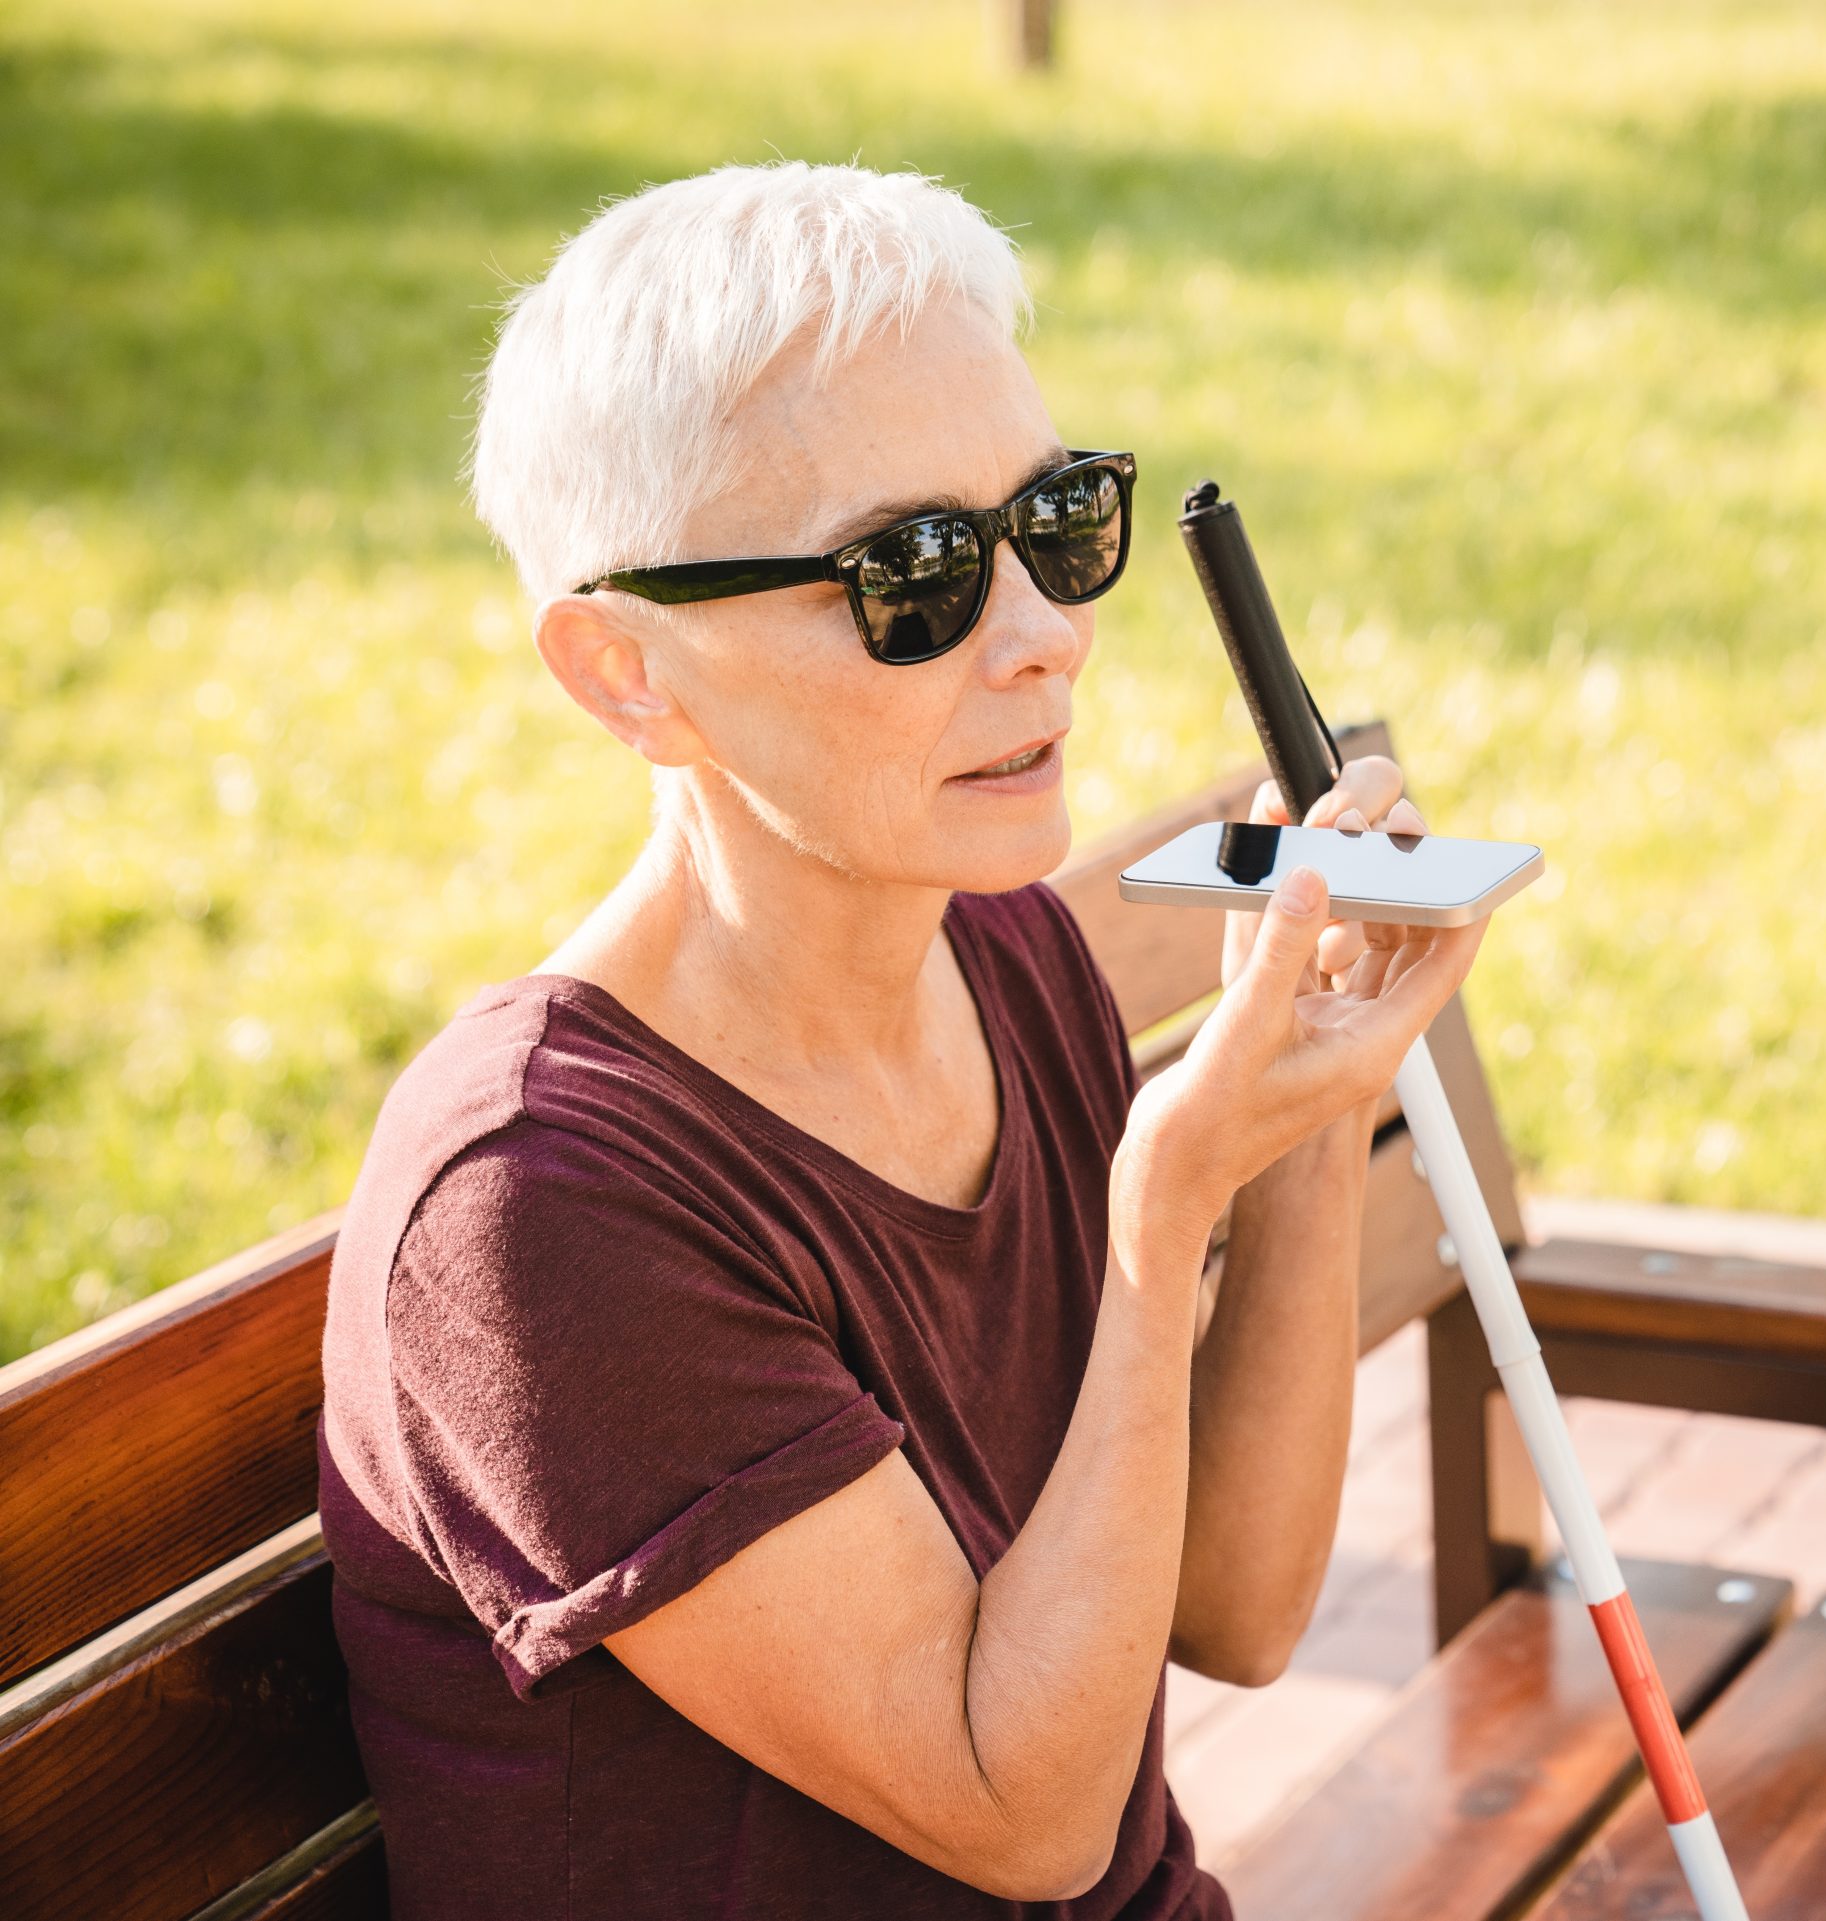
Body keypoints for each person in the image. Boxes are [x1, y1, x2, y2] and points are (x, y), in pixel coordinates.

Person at [317, 161, 1485, 1919]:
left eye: (1057, 521)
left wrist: (1305, 1098)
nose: (1048, 638)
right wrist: (1162, 1211)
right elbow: (1026, 1818)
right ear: (627, 673)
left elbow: (1240, 1605)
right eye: (916, 572)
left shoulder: (1001, 951)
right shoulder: (533, 1208)